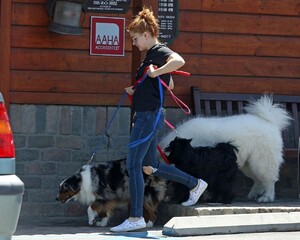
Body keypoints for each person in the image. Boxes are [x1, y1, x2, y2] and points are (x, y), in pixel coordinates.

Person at [110, 6, 208, 232]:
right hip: (148, 113)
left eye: (135, 39)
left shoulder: (159, 50)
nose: (134, 43)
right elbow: (169, 84)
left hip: (148, 116)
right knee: (149, 166)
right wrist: (140, 88)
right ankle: (195, 184)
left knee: (133, 164)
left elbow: (179, 61)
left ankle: (136, 217)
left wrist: (156, 72)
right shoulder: (150, 56)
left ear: (146, 35)